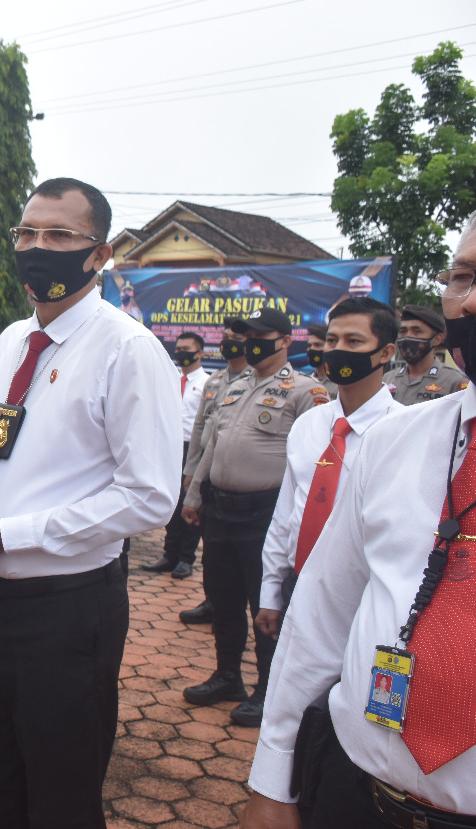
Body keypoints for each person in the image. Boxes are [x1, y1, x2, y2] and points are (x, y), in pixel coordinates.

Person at [0, 177, 181, 828]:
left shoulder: (129, 351)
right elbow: (5, 436)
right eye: (26, 233)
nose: (36, 247)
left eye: (58, 235)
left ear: (99, 254)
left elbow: (150, 497)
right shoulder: (14, 340)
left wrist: (14, 533)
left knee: (61, 797)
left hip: (67, 613)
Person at [242, 220, 476, 829]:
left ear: (386, 353)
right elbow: (323, 608)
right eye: (464, 277)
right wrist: (274, 777)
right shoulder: (400, 443)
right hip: (358, 791)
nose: (471, 298)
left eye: (354, 340)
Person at [182, 307, 328, 727]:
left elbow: (312, 464)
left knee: (266, 604)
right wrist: (193, 495)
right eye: (250, 335)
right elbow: (213, 444)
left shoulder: (306, 391)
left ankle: (267, 689)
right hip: (220, 511)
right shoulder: (233, 385)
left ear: (285, 341)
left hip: (265, 516)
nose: (253, 342)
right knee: (223, 599)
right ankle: (228, 676)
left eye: (263, 335)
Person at [255, 298, 401, 647]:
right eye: (332, 341)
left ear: (385, 353)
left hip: (362, 598)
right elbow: (287, 513)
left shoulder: (402, 432)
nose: (337, 351)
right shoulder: (309, 424)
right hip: (298, 585)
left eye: (354, 342)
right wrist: (271, 590)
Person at [178, 316, 253, 626]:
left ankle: (244, 609)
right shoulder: (215, 380)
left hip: (238, 478)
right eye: (226, 335)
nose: (228, 340)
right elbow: (199, 430)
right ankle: (213, 601)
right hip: (205, 474)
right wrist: (190, 471)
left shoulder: (254, 380)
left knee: (243, 556)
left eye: (235, 336)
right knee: (212, 546)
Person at [144, 331, 208, 580]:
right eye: (178, 348)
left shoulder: (206, 383)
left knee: (189, 504)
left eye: (187, 348)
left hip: (192, 450)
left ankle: (185, 559)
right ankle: (169, 555)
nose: (181, 352)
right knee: (171, 501)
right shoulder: (171, 379)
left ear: (200, 353)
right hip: (169, 448)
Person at [385, 303, 468, 404]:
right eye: (403, 331)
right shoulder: (388, 379)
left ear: (437, 339)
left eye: (417, 331)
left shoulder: (453, 382)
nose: (407, 337)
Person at [303, 322, 339, 398]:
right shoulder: (304, 381)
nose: (312, 349)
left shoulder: (341, 383)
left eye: (317, 345)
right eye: (309, 346)